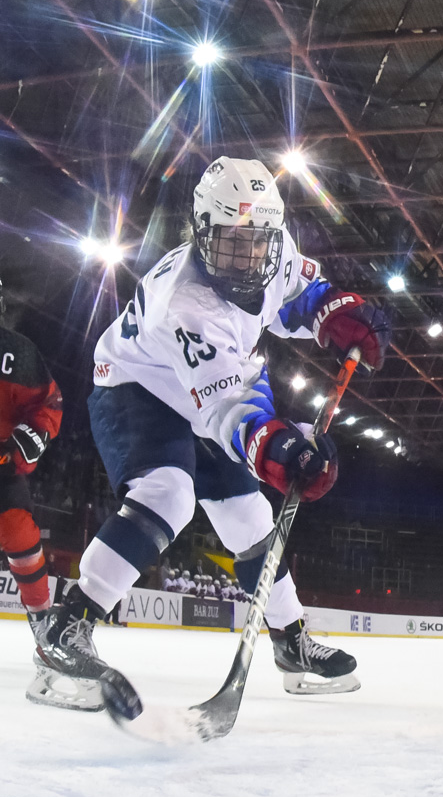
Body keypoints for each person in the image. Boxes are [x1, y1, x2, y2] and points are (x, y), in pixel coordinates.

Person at [28, 156, 392, 713]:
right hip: (138, 386)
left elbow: (296, 295)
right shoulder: (188, 303)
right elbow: (227, 410)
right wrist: (282, 449)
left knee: (250, 518)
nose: (248, 256)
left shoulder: (274, 246)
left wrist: (337, 313)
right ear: (201, 230)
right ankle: (65, 629)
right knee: (168, 493)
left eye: (258, 241)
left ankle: (291, 643)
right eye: (230, 241)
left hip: (207, 388)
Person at [0, 285, 63, 646]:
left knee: (20, 531)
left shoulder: (18, 352)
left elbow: (48, 402)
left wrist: (34, 433)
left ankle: (43, 622)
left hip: (2, 465)